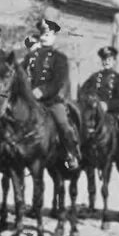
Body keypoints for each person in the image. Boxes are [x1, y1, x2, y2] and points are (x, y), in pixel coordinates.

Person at [27, 18, 79, 171]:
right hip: (31, 101)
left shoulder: (59, 58)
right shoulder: (31, 57)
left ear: (54, 36)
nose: (45, 36)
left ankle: (71, 154)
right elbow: (22, 75)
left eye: (48, 34)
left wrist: (41, 91)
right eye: (43, 33)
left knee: (64, 124)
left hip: (51, 101)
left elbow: (58, 82)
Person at [80, 45, 119, 171]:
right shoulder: (94, 77)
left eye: (109, 59)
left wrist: (107, 105)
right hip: (96, 111)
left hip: (113, 111)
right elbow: (83, 91)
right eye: (104, 59)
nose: (106, 61)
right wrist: (90, 100)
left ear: (114, 61)